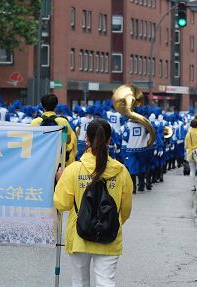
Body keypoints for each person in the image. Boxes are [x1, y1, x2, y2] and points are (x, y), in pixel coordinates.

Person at [54, 119, 133, 287]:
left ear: (87, 140)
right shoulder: (121, 171)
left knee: (79, 282)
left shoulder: (73, 170)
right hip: (109, 235)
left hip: (78, 234)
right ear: (109, 140)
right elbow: (125, 209)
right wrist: (111, 223)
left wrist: (60, 181)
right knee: (106, 282)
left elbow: (62, 204)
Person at [31, 94, 75, 166]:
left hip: (41, 159)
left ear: (42, 105)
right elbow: (67, 140)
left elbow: (33, 141)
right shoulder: (63, 121)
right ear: (56, 105)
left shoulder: (35, 122)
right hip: (59, 159)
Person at [185, 119, 197, 191]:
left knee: (192, 170)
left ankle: (192, 186)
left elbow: (186, 145)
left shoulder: (188, 134)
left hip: (190, 153)